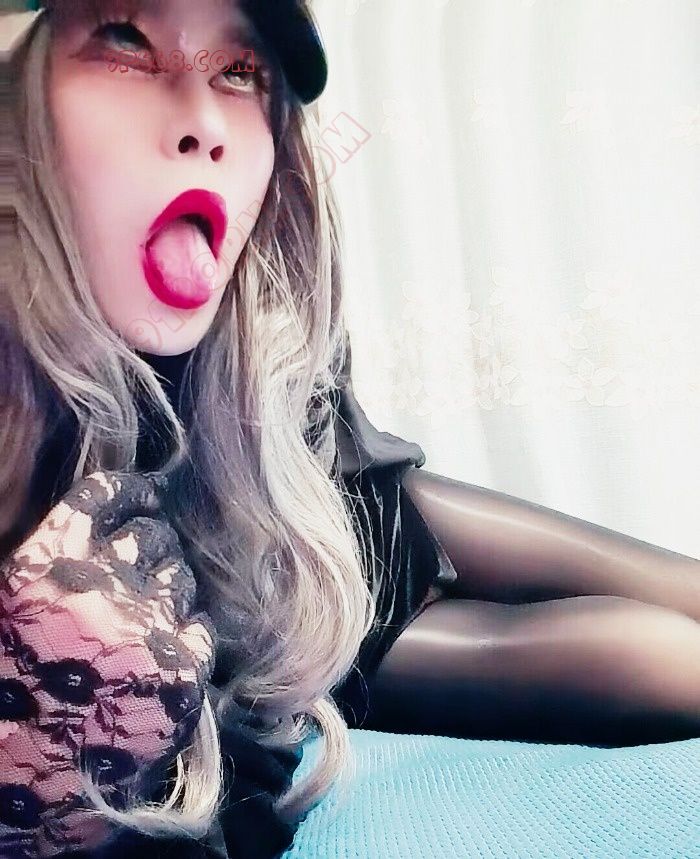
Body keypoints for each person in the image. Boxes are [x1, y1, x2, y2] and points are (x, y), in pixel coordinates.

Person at [2, 1, 699, 858]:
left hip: (359, 507)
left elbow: (321, 417)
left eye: (241, 72)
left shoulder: (242, 296)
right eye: (127, 43)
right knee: (660, 660)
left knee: (674, 582)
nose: (205, 124)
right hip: (305, 632)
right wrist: (65, 776)